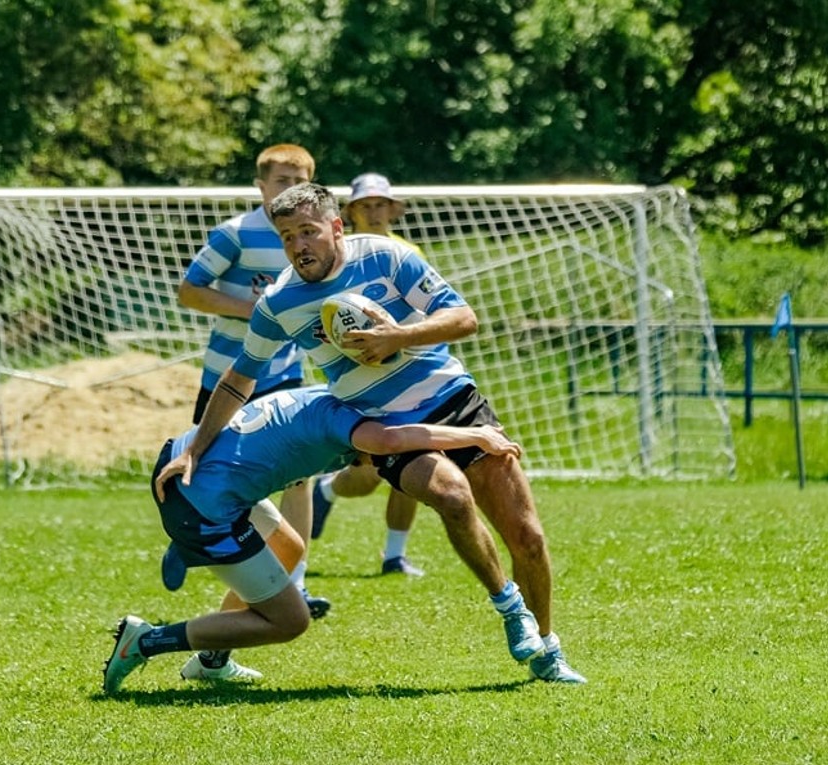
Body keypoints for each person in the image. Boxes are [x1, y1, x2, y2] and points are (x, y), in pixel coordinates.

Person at [155, 182, 586, 683]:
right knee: (449, 494)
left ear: (336, 228)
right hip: (383, 423)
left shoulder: (387, 256)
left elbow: (464, 318)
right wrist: (195, 450)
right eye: (288, 236)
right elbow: (237, 379)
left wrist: (398, 337)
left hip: (455, 401)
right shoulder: (278, 303)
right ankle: (511, 610)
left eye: (309, 232)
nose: (299, 246)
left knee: (527, 537)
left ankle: (548, 650)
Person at [103, 385, 524, 693]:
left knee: (288, 547)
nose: (380, 466)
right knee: (290, 620)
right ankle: (146, 641)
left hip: (198, 474)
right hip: (203, 505)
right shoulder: (347, 422)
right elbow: (390, 440)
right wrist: (476, 435)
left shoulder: (326, 397)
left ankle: (212, 659)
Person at [173, 143, 329, 618]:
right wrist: (256, 312)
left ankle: (293, 582)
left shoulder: (314, 237)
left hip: (285, 374)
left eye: (299, 180)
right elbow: (189, 291)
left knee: (299, 479)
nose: (290, 189)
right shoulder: (235, 235)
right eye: (281, 181)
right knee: (207, 474)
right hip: (228, 375)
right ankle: (186, 541)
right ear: (261, 186)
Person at [310, 172, 424, 577]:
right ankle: (324, 491)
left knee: (417, 460)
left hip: (408, 373)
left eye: (381, 204)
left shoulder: (409, 252)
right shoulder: (336, 258)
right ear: (351, 212)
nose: (374, 212)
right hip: (357, 379)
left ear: (393, 209)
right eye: (365, 205)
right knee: (369, 475)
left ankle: (395, 556)